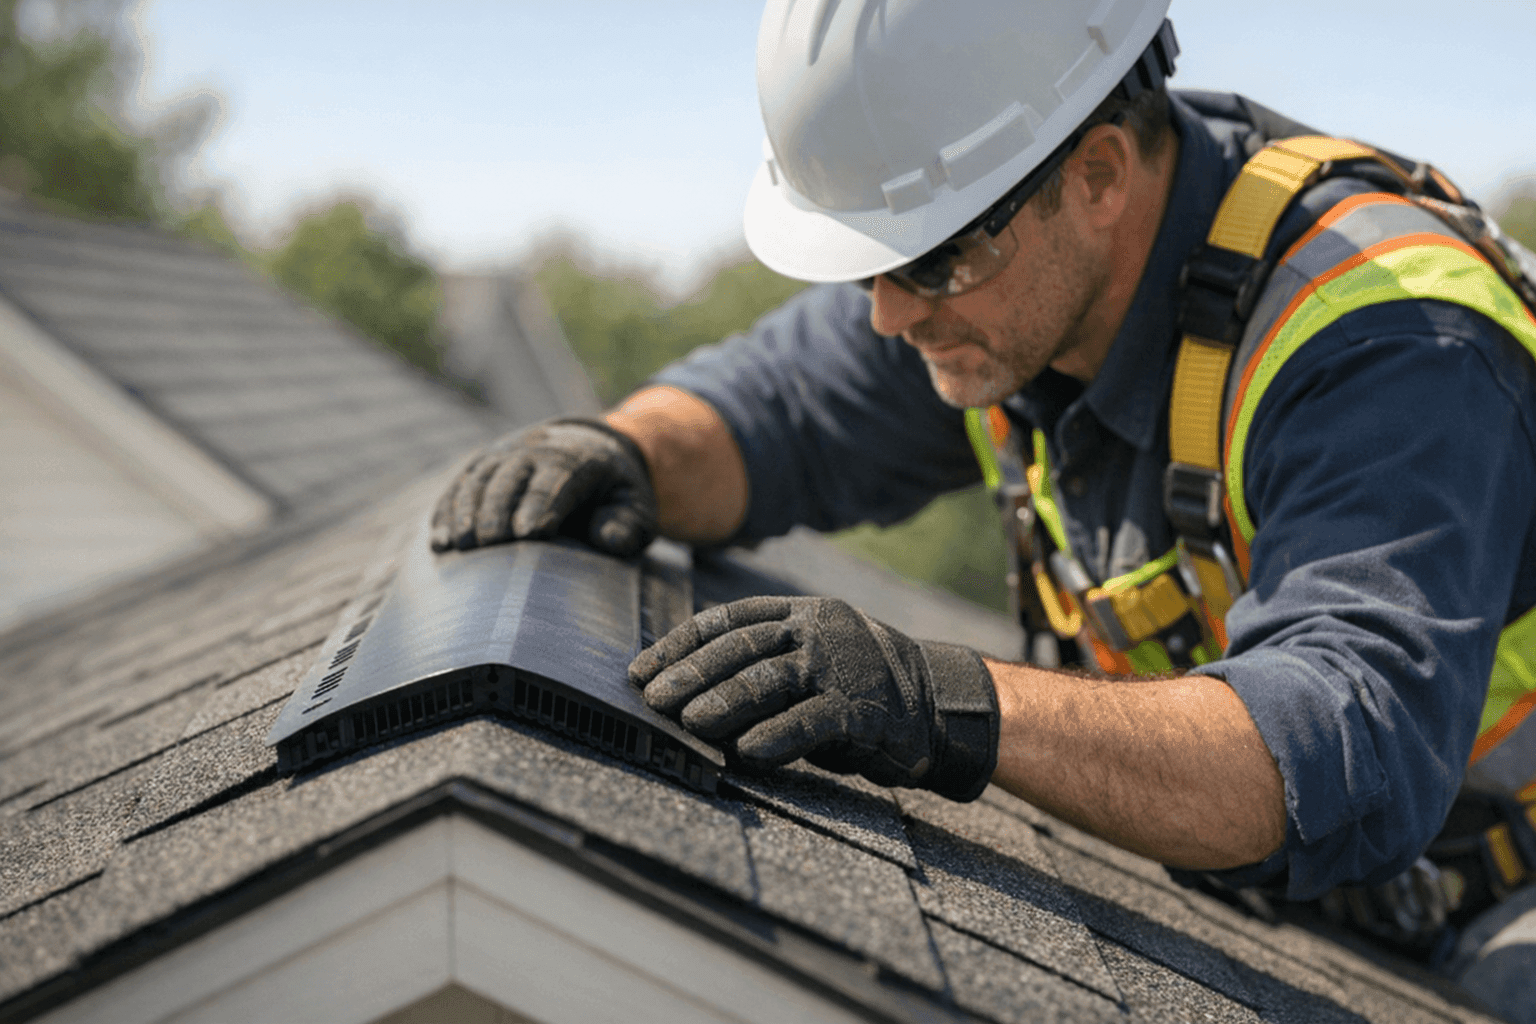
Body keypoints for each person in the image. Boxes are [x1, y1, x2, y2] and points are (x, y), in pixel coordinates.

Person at [432, 2, 1536, 1016]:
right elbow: (777, 408)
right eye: (866, 264)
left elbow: (1341, 748)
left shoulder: (1392, 344)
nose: (889, 316)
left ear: (1099, 172)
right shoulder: (1011, 280)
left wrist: (941, 703)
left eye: (930, 258)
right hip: (1300, 893)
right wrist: (619, 449)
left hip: (1500, 904)